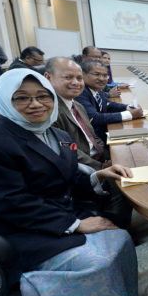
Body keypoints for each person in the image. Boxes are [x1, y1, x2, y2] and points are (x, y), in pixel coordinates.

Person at [0, 68, 139, 296]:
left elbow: (66, 178)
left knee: (118, 235)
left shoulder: (54, 133)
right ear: (6, 102)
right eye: (22, 98)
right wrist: (76, 225)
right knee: (94, 260)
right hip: (11, 232)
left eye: (43, 96)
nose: (36, 104)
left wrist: (98, 175)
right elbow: (11, 203)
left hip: (50, 214)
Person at [44, 57, 132, 228]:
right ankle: (118, 230)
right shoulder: (49, 110)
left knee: (132, 159)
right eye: (68, 77)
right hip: (81, 171)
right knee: (122, 183)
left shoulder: (77, 104)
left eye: (79, 78)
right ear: (48, 78)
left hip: (95, 160)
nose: (76, 83)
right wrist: (101, 166)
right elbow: (69, 152)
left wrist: (110, 156)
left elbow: (94, 138)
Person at [75, 60, 144, 141]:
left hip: (103, 133)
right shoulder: (80, 92)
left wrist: (129, 107)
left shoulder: (96, 89)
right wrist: (129, 114)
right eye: (97, 74)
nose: (101, 79)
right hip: (95, 140)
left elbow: (108, 104)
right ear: (83, 75)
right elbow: (95, 119)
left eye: (105, 75)